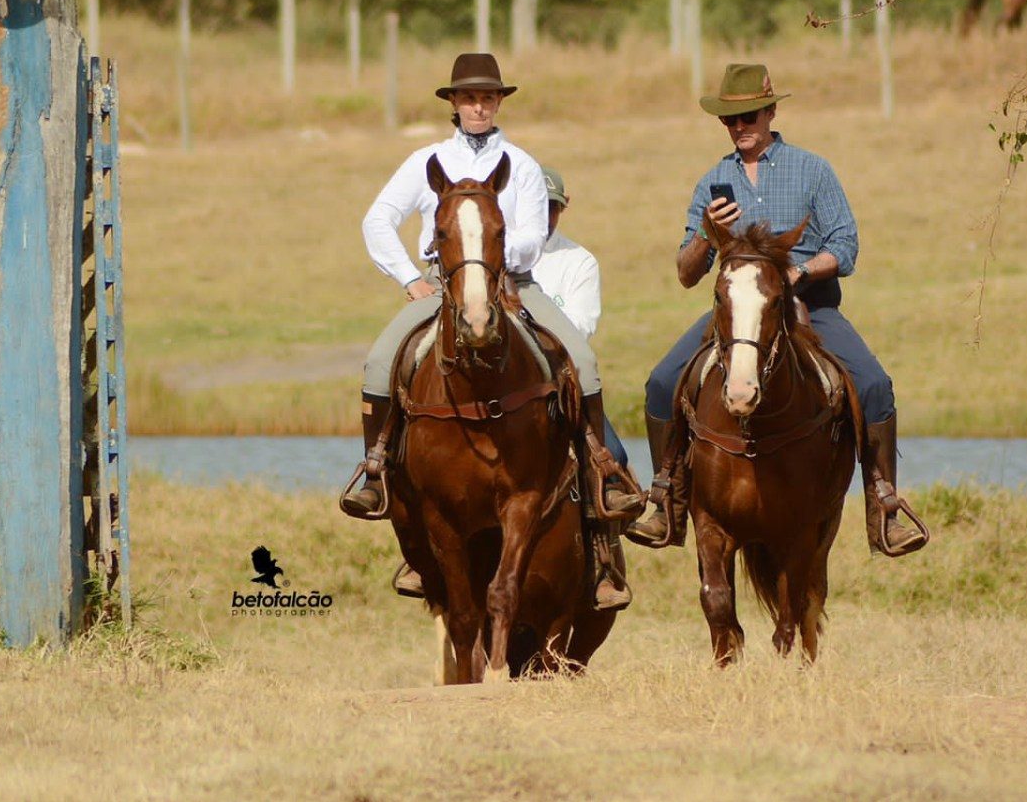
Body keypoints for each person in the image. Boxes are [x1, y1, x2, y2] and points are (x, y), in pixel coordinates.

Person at [340, 52, 642, 607]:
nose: (479, 106)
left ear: (500, 102)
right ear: (453, 104)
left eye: (488, 97)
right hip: (445, 284)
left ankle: (604, 471)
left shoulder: (520, 164)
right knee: (381, 360)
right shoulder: (426, 160)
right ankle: (376, 470)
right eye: (469, 98)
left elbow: (530, 234)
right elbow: (377, 219)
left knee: (583, 360)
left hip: (514, 283)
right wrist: (411, 279)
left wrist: (495, 258)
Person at [625, 63, 928, 558]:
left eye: (747, 117)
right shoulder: (713, 181)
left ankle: (884, 504)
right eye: (730, 121)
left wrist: (799, 275)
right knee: (662, 382)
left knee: (873, 384)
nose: (739, 128)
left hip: (808, 303)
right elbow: (685, 272)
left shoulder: (813, 169)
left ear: (770, 111)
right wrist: (706, 233)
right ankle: (667, 499)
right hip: (738, 310)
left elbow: (845, 244)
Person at [531, 166, 628, 469]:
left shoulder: (579, 261)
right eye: (536, 206)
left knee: (615, 455)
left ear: (562, 206)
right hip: (504, 373)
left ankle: (609, 492)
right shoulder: (500, 253)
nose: (543, 216)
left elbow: (581, 325)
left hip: (559, 374)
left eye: (551, 208)